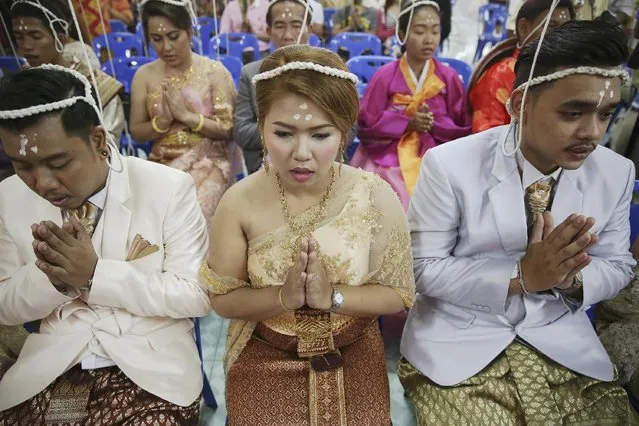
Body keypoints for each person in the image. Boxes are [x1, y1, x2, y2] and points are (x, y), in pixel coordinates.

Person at [399, 17, 637, 424]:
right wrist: (523, 275)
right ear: (518, 104)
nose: (592, 132)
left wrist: (571, 279)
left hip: (561, 341)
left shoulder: (615, 173)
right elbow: (421, 269)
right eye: (573, 113)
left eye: (606, 114)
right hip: (459, 337)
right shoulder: (451, 165)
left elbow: (619, 265)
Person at [201, 44, 415, 425]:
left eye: (320, 135)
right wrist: (283, 297)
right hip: (264, 349)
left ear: (345, 131)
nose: (301, 153)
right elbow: (223, 301)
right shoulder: (239, 202)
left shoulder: (375, 194)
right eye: (283, 133)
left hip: (352, 349)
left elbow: (397, 293)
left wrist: (329, 297)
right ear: (262, 125)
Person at [0, 66, 211, 424]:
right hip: (56, 359)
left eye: (58, 163)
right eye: (23, 166)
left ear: (97, 140)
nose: (43, 183)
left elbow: (196, 294)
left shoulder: (166, 187)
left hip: (151, 360)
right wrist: (54, 280)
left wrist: (96, 275)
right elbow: (5, 306)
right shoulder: (8, 198)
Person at [351, 0, 470, 211]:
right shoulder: (384, 76)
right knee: (381, 191)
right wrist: (406, 123)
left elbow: (462, 128)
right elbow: (367, 123)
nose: (429, 40)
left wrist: (433, 124)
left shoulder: (449, 78)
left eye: (435, 31)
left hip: (435, 155)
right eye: (420, 31)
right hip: (388, 153)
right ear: (403, 33)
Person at [130, 0, 240, 223]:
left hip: (211, 162)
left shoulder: (214, 72)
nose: (166, 47)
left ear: (189, 32)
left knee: (192, 213)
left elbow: (228, 129)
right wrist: (161, 123)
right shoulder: (144, 76)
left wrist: (186, 117)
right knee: (147, 216)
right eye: (157, 39)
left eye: (173, 36)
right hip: (162, 163)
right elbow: (137, 131)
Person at [11, 0, 126, 145]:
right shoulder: (20, 84)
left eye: (36, 36)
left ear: (60, 39)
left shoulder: (98, 87)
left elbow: (108, 147)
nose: (26, 46)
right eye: (19, 37)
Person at [469, 0, 574, 134]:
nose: (561, 36)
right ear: (524, 28)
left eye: (566, 29)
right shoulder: (499, 76)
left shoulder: (569, 73)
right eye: (551, 26)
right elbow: (487, 142)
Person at [233, 0, 311, 174]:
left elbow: (347, 129)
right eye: (280, 26)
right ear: (268, 31)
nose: (288, 35)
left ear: (309, 29)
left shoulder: (330, 72)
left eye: (296, 25)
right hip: (266, 167)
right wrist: (288, 129)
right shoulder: (252, 73)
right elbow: (241, 132)